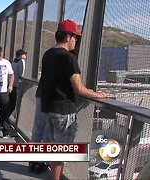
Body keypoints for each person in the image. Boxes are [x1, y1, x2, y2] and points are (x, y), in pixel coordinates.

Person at [30, 20, 107, 179]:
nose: (76, 41)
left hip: (48, 107)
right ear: (67, 36)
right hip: (63, 111)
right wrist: (98, 94)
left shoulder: (48, 54)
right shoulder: (68, 58)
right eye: (75, 37)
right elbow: (79, 89)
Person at [6, 49, 26, 123]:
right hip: (16, 85)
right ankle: (5, 120)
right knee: (13, 104)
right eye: (24, 54)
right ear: (21, 55)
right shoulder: (21, 61)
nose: (25, 56)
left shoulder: (13, 62)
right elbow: (21, 74)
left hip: (10, 84)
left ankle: (5, 119)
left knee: (10, 103)